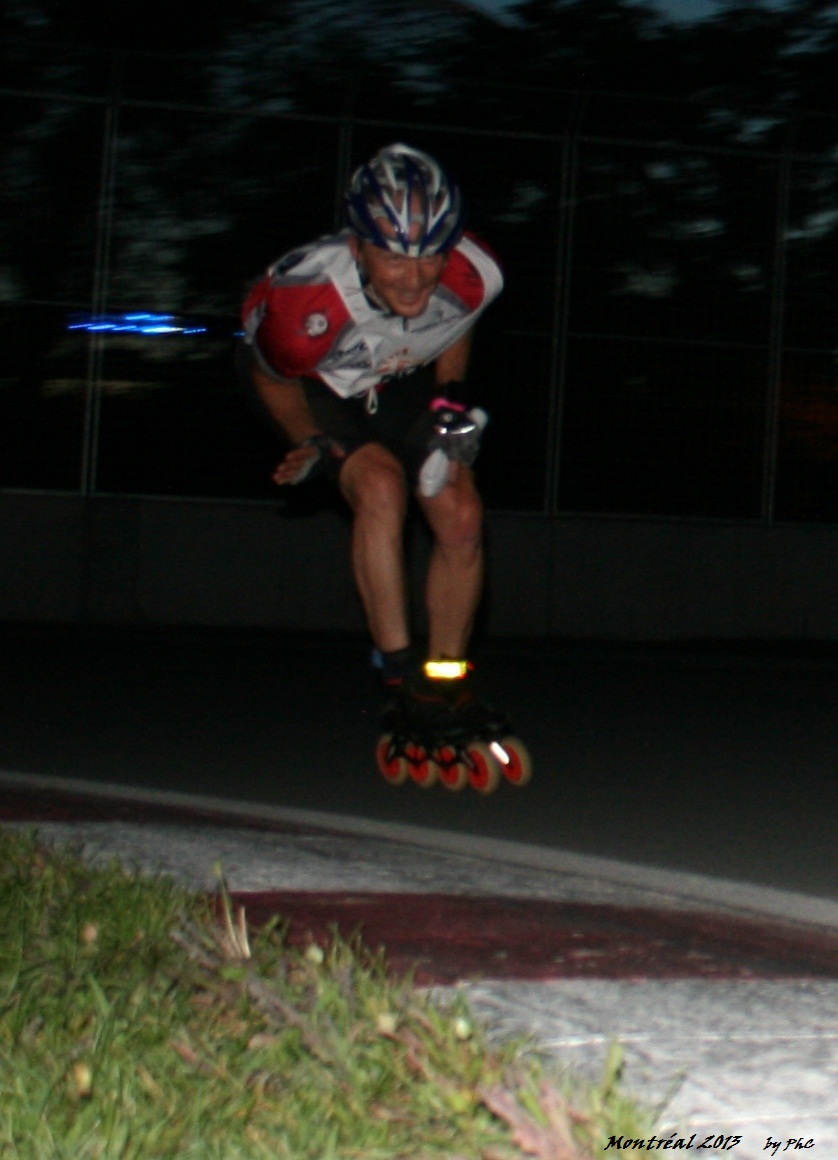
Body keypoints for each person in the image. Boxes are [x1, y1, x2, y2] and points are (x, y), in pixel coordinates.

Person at [240, 143, 525, 787]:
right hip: (317, 389)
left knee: (461, 514)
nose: (416, 278)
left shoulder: (475, 272)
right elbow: (269, 378)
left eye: (430, 257)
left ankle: (443, 680)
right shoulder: (304, 299)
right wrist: (312, 440)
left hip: (399, 382)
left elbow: (456, 322)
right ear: (358, 246)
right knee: (381, 485)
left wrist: (449, 399)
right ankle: (400, 677)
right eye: (395, 257)